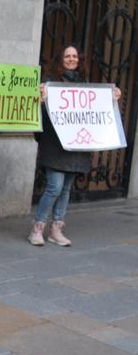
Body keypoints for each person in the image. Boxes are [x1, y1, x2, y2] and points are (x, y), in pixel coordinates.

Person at [30, 45, 122, 246]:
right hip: (54, 144)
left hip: (76, 146)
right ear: (60, 59)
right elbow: (38, 113)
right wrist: (41, 100)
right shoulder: (48, 83)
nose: (71, 59)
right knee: (54, 187)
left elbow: (95, 109)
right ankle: (38, 227)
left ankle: (57, 229)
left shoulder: (85, 85)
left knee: (65, 189)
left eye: (74, 56)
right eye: (67, 56)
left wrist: (111, 97)